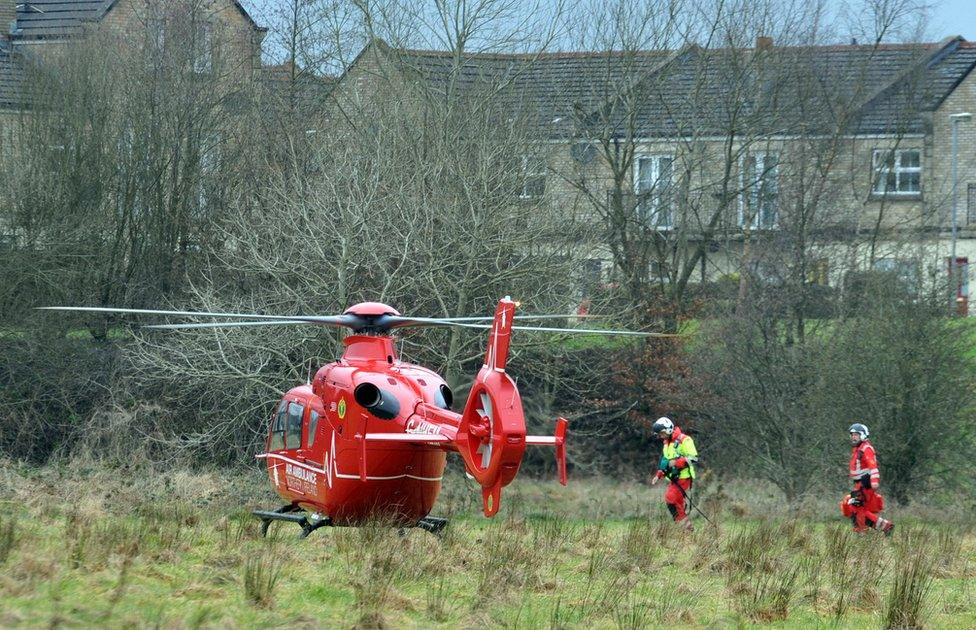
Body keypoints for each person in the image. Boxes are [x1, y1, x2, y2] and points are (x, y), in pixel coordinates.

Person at [840, 423, 894, 535]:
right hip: (859, 484)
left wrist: (874, 482)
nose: (853, 437)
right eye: (852, 435)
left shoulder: (866, 448)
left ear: (863, 435)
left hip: (865, 483)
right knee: (857, 507)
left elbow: (873, 466)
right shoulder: (857, 449)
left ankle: (862, 532)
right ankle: (885, 526)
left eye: (856, 435)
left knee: (856, 507)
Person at [650, 416, 698, 531]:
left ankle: (683, 526)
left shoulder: (685, 439)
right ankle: (686, 528)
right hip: (673, 478)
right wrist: (659, 474)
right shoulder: (666, 443)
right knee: (677, 502)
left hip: (684, 477)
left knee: (670, 499)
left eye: (661, 433)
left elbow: (694, 459)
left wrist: (677, 462)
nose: (660, 437)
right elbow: (665, 461)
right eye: (659, 434)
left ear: (668, 430)